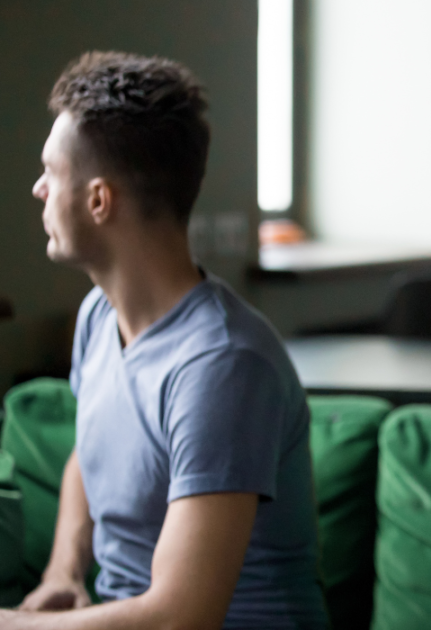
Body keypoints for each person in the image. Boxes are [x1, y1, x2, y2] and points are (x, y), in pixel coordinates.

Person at [0, 51, 328, 629]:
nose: (37, 189)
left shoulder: (222, 364)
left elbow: (182, 618)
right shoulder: (99, 316)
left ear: (100, 201)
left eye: (51, 173)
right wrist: (62, 572)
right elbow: (92, 447)